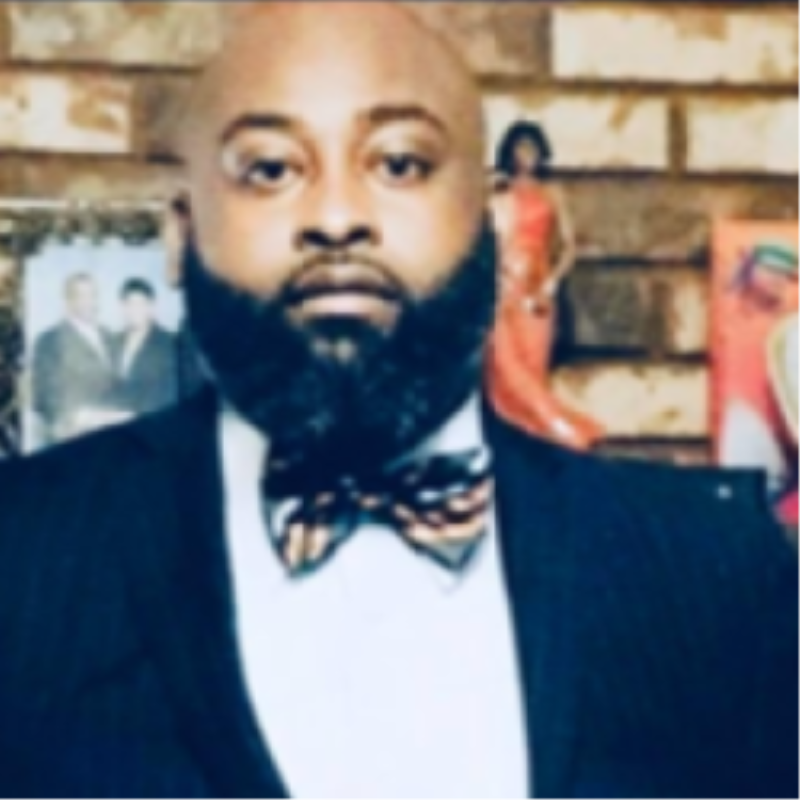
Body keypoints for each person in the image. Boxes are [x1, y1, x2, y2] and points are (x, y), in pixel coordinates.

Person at [1, 4, 800, 799]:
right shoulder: (24, 552)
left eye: (401, 163)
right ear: (179, 235)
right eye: (271, 170)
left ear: (493, 223)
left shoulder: (711, 571)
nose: (337, 218)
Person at [487, 120, 603, 450]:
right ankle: (543, 429)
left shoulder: (551, 193)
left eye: (531, 150)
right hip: (504, 286)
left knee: (533, 365)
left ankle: (550, 430)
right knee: (505, 367)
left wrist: (551, 281)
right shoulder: (498, 194)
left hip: (536, 285)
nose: (526, 157)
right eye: (520, 150)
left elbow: (568, 246)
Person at [29, 271, 124, 446]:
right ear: (69, 301)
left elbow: (118, 383)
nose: (89, 301)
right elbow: (44, 394)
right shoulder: (50, 340)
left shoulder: (110, 337)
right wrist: (72, 420)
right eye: (81, 295)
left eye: (93, 294)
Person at [114, 277, 180, 415]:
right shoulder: (114, 342)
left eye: (140, 304)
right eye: (130, 304)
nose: (134, 310)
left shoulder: (168, 343)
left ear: (151, 307)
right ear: (123, 308)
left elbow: (167, 396)